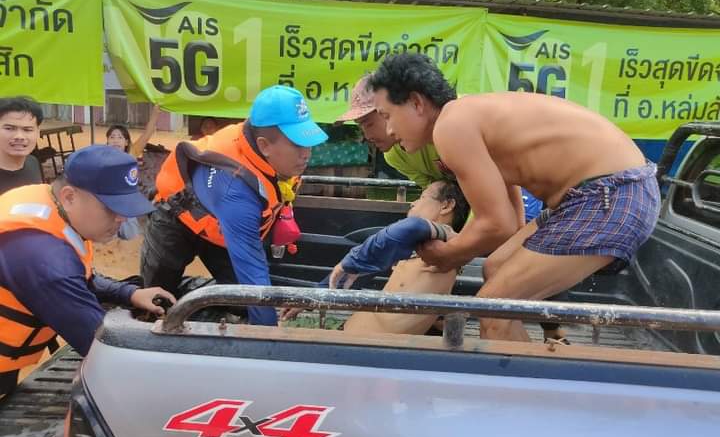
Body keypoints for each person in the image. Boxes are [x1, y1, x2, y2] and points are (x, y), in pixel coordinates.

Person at [369, 53, 660, 342]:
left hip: (610, 194)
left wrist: (448, 255)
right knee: (496, 268)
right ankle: (529, 362)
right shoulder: (470, 115)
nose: (390, 130)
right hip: (607, 192)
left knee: (493, 311)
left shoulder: (450, 125)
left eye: (387, 116)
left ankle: (529, 371)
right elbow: (510, 220)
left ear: (417, 103)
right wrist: (461, 250)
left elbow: (496, 224)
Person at [141, 85, 328, 327]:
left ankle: (197, 302)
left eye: (308, 142)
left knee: (240, 301)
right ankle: (179, 305)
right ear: (264, 146)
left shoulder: (279, 158)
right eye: (298, 144)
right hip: (175, 219)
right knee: (154, 301)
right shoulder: (236, 189)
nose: (307, 154)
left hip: (220, 229)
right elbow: (254, 279)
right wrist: (270, 339)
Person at [0, 145, 176, 397]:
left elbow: (80, 277)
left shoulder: (48, 203)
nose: (122, 218)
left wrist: (130, 293)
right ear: (69, 197)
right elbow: (102, 346)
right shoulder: (43, 257)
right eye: (111, 207)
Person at [336, 76, 542, 223]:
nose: (366, 135)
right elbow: (438, 195)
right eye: (360, 126)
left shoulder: (455, 122)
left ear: (389, 111)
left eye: (369, 123)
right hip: (477, 191)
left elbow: (494, 197)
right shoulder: (395, 156)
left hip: (519, 178)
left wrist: (458, 248)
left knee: (508, 234)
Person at [281, 180, 470, 336]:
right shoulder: (420, 244)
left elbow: (411, 226)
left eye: (422, 197)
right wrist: (313, 296)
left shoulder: (449, 246)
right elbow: (357, 272)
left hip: (372, 353)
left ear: (446, 205)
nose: (413, 203)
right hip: (351, 340)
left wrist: (353, 259)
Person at [106, 104, 164, 240]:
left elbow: (148, 133)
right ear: (107, 141)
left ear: (126, 142)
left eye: (120, 137)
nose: (115, 140)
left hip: (127, 203)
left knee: (129, 235)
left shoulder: (132, 153)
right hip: (109, 203)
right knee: (109, 236)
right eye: (112, 137)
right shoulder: (102, 156)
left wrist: (155, 113)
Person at [0, 97, 43, 195]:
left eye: (27, 130)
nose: (19, 136)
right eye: (9, 128)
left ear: (37, 132)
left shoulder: (33, 162)